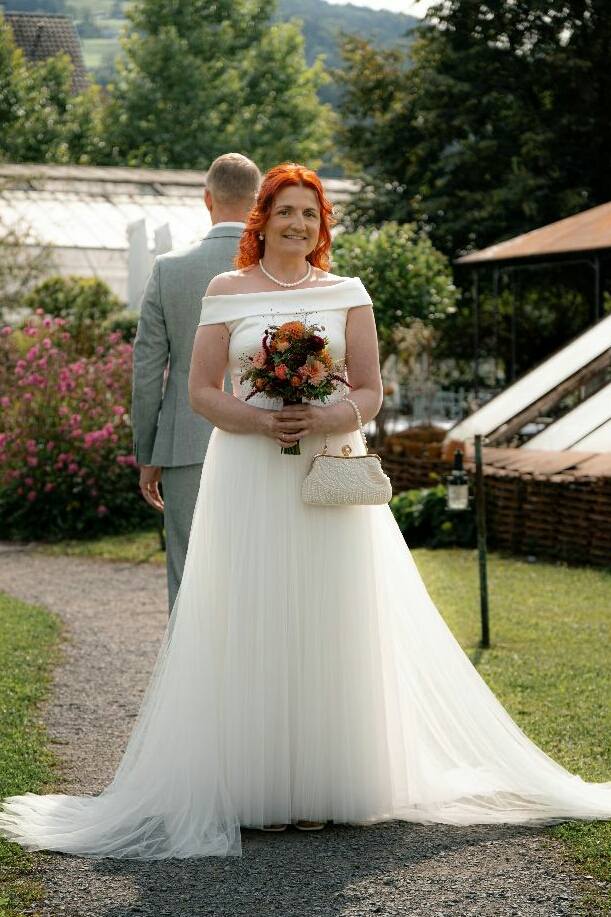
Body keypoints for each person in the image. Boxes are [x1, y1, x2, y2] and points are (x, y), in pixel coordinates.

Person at [1, 163, 610, 859]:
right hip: (246, 471)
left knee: (330, 612)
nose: (298, 223)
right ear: (261, 218)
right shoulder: (224, 290)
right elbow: (201, 390)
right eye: (286, 210)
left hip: (328, 471)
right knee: (251, 610)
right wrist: (260, 421)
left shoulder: (347, 293)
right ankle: (256, 784)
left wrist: (327, 414)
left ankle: (325, 783)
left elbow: (371, 390)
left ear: (322, 226)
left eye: (310, 214)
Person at [132, 152, 261, 611]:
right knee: (258, 567)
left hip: (185, 441)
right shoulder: (277, 270)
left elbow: (147, 370)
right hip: (266, 441)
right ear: (258, 201)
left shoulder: (169, 269)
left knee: (188, 574)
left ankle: (186, 660)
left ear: (207, 198)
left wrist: (148, 453)